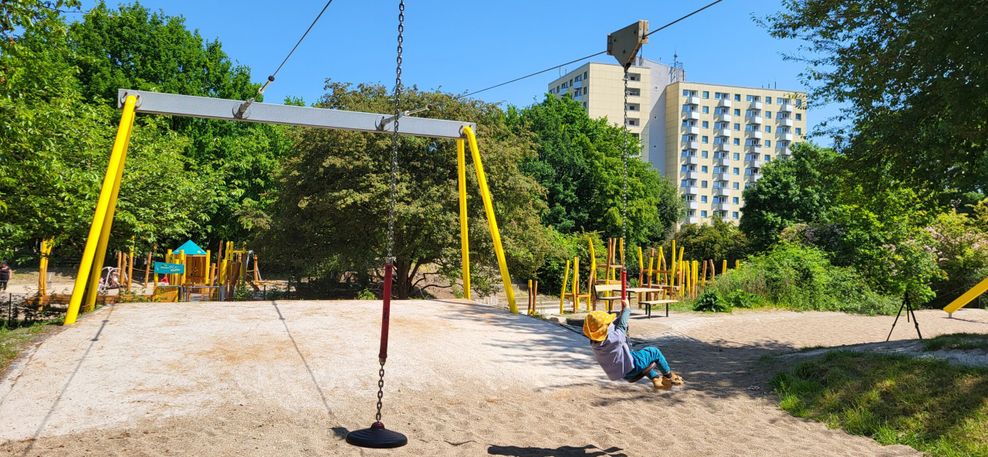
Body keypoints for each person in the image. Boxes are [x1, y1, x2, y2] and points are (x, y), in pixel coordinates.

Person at [584, 299, 684, 390]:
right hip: (633, 367)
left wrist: (620, 314)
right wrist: (627, 309)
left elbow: (614, 326)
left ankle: (656, 380)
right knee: (654, 352)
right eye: (608, 323)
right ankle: (669, 377)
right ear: (605, 329)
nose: (610, 324)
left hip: (624, 374)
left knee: (640, 358)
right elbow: (622, 325)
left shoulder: (595, 344)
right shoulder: (615, 338)